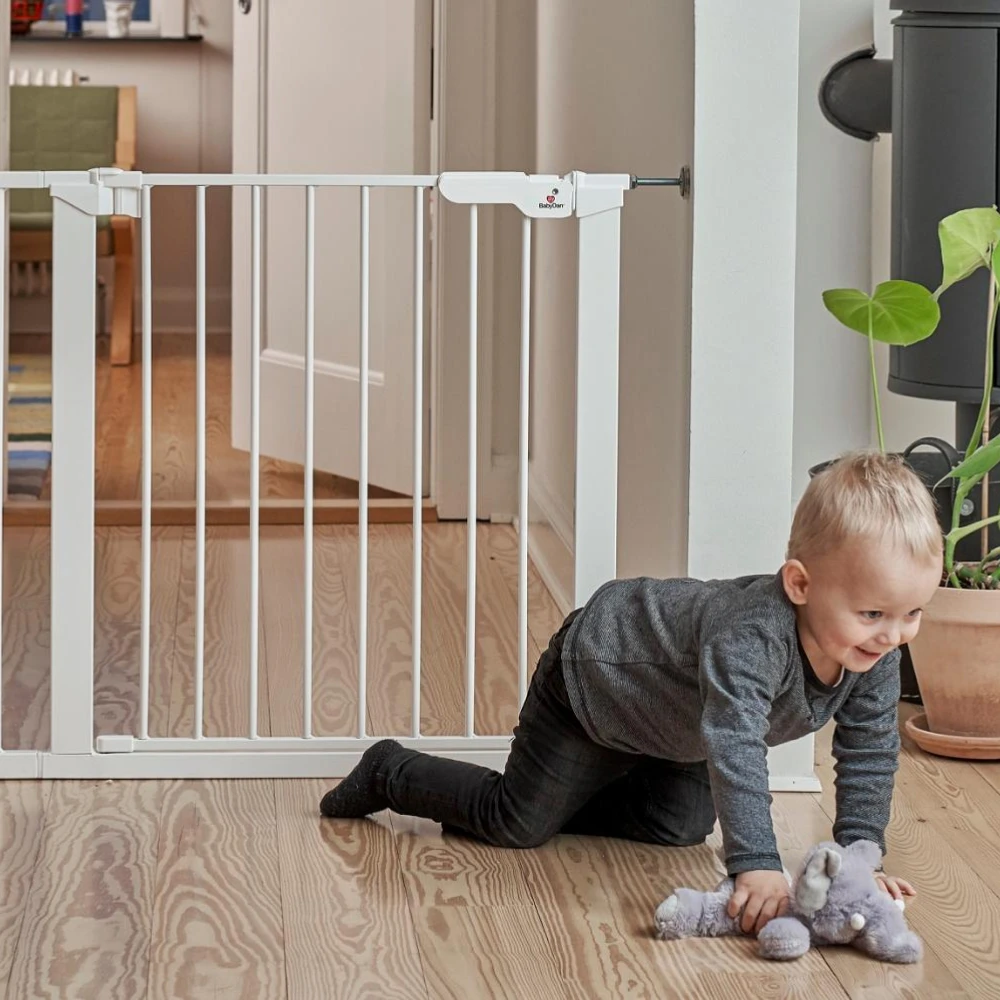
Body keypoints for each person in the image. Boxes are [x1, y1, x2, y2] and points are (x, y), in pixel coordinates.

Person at [319, 450, 942, 935]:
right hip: (597, 686)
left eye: (912, 613)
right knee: (515, 821)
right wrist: (756, 862)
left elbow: (867, 750)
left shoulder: (874, 653)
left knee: (682, 826)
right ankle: (391, 770)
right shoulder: (752, 636)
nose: (893, 634)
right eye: (872, 614)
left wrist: (863, 859)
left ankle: (569, 795)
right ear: (800, 584)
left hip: (673, 728)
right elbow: (737, 743)